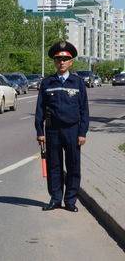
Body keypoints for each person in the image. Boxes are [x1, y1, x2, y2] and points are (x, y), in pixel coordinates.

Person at [35, 41, 89, 212]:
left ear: (71, 62)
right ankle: (55, 198)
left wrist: (82, 132)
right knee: (54, 166)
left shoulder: (78, 82)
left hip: (73, 131)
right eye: (58, 59)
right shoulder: (47, 83)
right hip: (53, 131)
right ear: (54, 62)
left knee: (73, 166)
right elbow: (40, 109)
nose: (61, 62)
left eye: (65, 60)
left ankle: (71, 200)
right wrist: (40, 131)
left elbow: (84, 110)